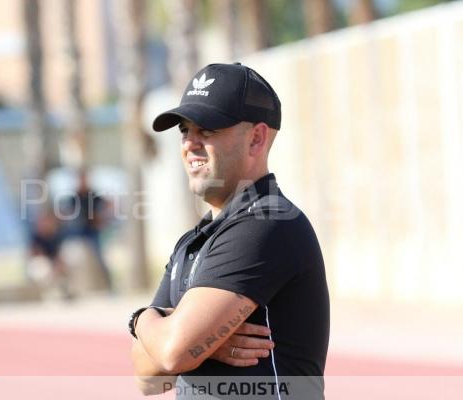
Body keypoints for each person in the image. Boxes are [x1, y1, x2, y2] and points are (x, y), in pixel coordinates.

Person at [129, 63, 329, 399]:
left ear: (256, 138)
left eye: (206, 129)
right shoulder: (195, 241)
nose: (190, 144)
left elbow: (171, 353)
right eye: (184, 130)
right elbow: (146, 377)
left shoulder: (267, 223)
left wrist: (145, 323)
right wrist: (192, 340)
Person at [63, 169, 113, 292]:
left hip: (92, 231)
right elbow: (66, 212)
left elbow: (109, 204)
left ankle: (109, 285)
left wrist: (102, 218)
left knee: (99, 257)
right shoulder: (74, 197)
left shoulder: (94, 195)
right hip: (78, 231)